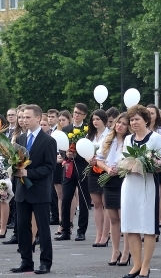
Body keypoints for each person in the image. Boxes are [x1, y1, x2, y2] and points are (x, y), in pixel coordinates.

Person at [120, 105, 161, 278]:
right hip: (130, 185)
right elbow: (124, 160)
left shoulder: (155, 138)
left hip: (147, 186)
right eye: (131, 120)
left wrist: (146, 165)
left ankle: (146, 265)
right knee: (130, 226)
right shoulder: (128, 139)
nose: (134, 122)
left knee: (147, 227)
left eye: (137, 119)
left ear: (146, 120)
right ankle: (136, 265)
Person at [9, 104, 54, 275]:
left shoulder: (48, 140)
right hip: (22, 190)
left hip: (39, 190)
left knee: (43, 228)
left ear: (38, 118)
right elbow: (15, 161)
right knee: (22, 227)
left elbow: (49, 167)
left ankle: (45, 262)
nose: (24, 120)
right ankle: (26, 261)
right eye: (23, 117)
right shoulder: (20, 139)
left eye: (28, 117)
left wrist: (29, 172)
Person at [96, 111, 131, 266]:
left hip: (125, 180)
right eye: (118, 122)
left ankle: (126, 251)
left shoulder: (130, 140)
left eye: (124, 124)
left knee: (124, 219)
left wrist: (122, 168)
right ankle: (115, 250)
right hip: (110, 179)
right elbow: (99, 160)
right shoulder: (108, 140)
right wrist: (107, 169)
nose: (120, 126)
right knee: (113, 218)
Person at [57, 103, 91, 242]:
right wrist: (66, 155)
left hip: (83, 166)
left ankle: (81, 230)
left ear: (84, 115)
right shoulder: (66, 129)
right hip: (69, 168)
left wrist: (78, 154)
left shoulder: (88, 130)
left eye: (79, 113)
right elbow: (60, 146)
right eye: (75, 112)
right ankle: (65, 229)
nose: (76, 115)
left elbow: (89, 149)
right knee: (66, 199)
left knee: (83, 200)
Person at [86, 109, 110, 247]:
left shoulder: (109, 135)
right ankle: (99, 233)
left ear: (104, 120)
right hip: (93, 170)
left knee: (106, 203)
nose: (95, 122)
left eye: (98, 119)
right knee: (96, 204)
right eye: (93, 119)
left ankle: (106, 235)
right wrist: (89, 159)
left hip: (105, 169)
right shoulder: (90, 135)